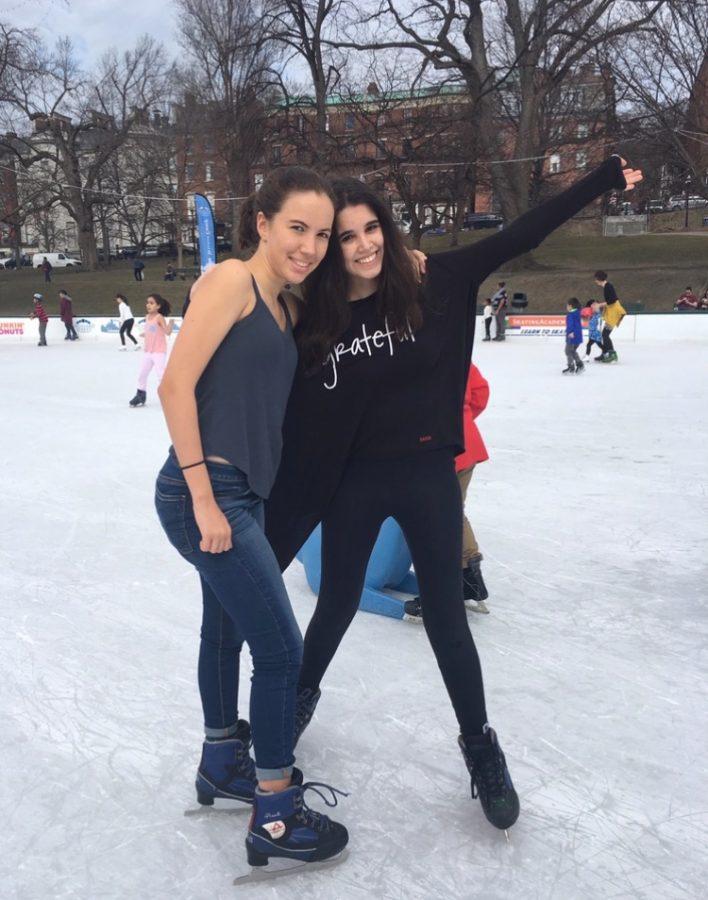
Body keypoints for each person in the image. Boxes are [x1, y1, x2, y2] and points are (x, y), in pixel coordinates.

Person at [264, 155, 642, 835]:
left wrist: (603, 178)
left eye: (370, 229)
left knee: (446, 617)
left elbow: (526, 233)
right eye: (345, 237)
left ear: (387, 226)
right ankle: (296, 702)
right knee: (339, 600)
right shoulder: (318, 315)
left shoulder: (442, 278)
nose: (363, 246)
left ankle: (480, 746)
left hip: (427, 475)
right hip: (355, 481)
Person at [153, 166, 348, 869]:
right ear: (262, 222)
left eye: (322, 233)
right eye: (298, 227)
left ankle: (220, 763)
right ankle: (273, 814)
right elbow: (175, 384)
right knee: (282, 652)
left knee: (226, 631)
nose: (311, 245)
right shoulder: (231, 281)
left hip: (244, 496)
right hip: (206, 493)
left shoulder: (287, 307)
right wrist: (205, 497)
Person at [404, 363, 492, 622]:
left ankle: (440, 593)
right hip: (467, 446)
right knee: (452, 514)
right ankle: (469, 578)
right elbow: (480, 393)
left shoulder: (418, 358)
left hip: (440, 451)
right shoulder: (457, 351)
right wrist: (463, 419)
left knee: (434, 523)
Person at [129, 294, 173, 407]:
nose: (148, 305)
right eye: (147, 302)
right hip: (148, 352)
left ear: (158, 306)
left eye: (152, 303)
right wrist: (145, 334)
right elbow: (151, 329)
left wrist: (171, 323)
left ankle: (169, 398)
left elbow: (167, 332)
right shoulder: (147, 316)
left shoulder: (159, 317)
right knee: (142, 374)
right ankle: (140, 395)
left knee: (161, 375)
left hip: (158, 352)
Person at [593, 270, 625, 362]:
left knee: (605, 335)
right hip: (612, 312)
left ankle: (612, 355)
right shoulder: (607, 286)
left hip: (614, 312)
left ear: (599, 279)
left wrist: (599, 305)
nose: (595, 281)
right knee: (604, 334)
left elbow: (612, 301)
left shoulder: (608, 286)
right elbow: (611, 301)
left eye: (596, 279)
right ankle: (605, 353)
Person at [563, 298, 585, 374]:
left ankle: (571, 367)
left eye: (567, 305)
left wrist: (571, 332)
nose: (566, 307)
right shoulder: (577, 313)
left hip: (572, 336)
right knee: (572, 351)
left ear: (570, 306)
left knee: (568, 351)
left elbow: (571, 325)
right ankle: (580, 365)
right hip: (577, 336)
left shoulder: (571, 314)